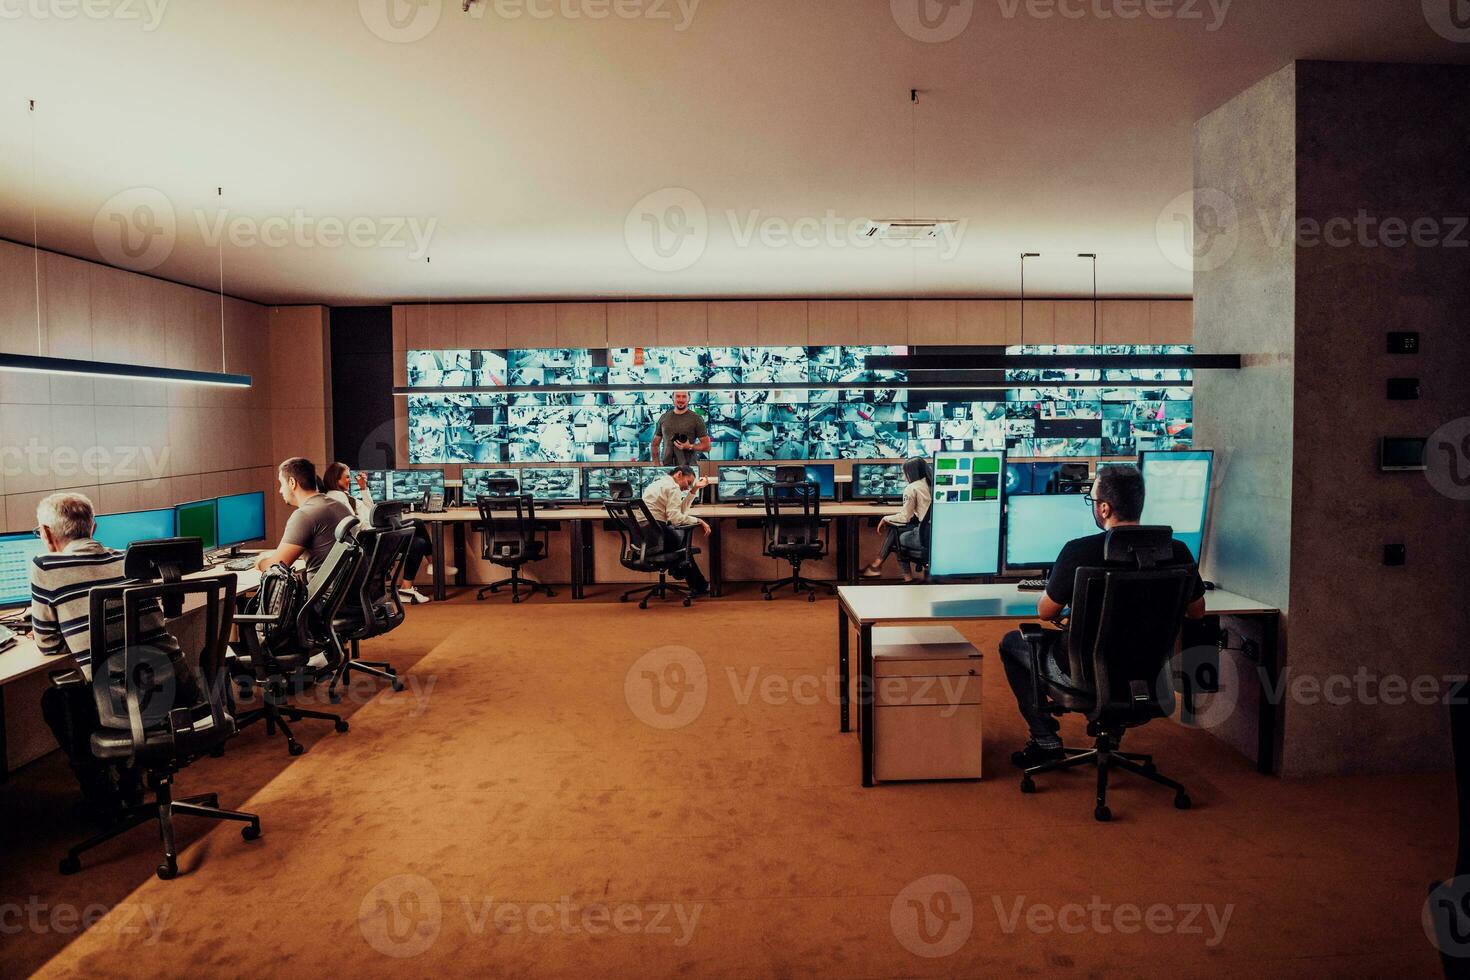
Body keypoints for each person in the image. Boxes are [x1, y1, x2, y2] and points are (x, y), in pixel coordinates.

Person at [1000, 464, 1207, 769]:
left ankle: (1044, 738)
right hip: (1146, 670)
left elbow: (1045, 613)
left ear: (1105, 508)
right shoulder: (1176, 552)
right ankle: (1111, 736)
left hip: (1081, 669)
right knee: (1121, 650)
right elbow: (1197, 611)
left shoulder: (1078, 551)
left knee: (1012, 643)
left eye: (1093, 502)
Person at [30, 492, 200, 819]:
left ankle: (102, 794)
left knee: (60, 699)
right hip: (177, 688)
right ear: (93, 527)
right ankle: (130, 777)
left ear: (48, 534)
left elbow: (48, 646)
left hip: (125, 703)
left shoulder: (45, 567)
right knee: (116, 682)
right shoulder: (129, 560)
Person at [320, 461, 436, 604]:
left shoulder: (344, 496)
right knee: (417, 531)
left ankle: (410, 584)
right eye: (347, 477)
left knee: (419, 542)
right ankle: (429, 566)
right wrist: (380, 527)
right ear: (336, 479)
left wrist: (363, 488)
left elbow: (370, 512)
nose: (350, 480)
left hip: (374, 533)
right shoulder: (339, 499)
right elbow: (356, 525)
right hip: (371, 538)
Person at [255, 457, 353, 576]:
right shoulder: (338, 506)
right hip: (348, 592)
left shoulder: (305, 514)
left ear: (292, 482)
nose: (280, 490)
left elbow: (276, 567)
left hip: (323, 594)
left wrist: (260, 561)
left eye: (281, 484)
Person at [640, 464, 713, 596]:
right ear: (679, 474)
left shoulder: (658, 484)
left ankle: (683, 570)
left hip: (647, 535)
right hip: (657, 535)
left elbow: (679, 511)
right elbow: (675, 518)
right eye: (688, 482)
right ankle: (682, 570)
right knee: (685, 548)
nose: (688, 487)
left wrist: (695, 489)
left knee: (683, 548)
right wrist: (699, 520)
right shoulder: (673, 488)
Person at [861, 458, 933, 582]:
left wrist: (885, 518)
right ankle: (876, 566)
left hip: (924, 537)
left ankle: (905, 577)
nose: (904, 476)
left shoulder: (912, 488)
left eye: (905, 472)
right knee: (897, 530)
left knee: (896, 535)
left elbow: (905, 517)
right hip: (939, 537)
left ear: (910, 472)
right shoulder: (934, 484)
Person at [651, 391, 712, 468]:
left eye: (684, 396)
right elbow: (655, 444)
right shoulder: (664, 417)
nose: (681, 399)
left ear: (689, 398)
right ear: (672, 398)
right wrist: (657, 466)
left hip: (689, 469)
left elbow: (707, 446)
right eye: (678, 396)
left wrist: (689, 446)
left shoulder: (696, 419)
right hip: (667, 468)